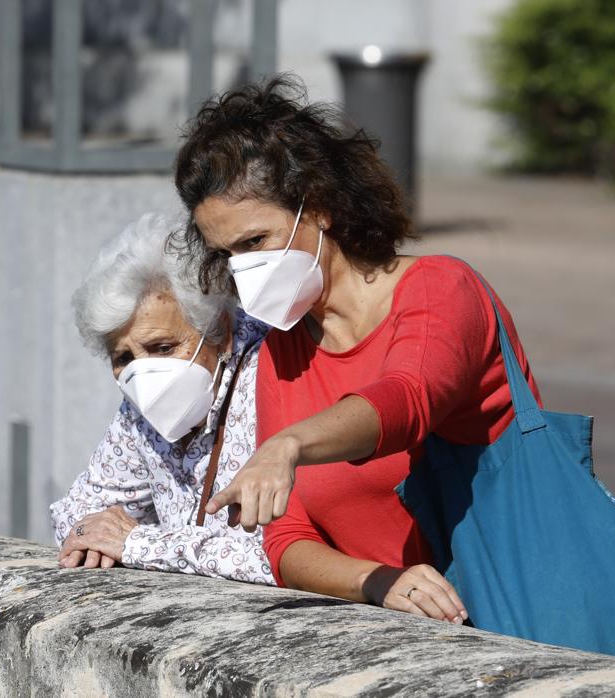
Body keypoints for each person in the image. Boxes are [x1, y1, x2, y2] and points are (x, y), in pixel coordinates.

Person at [169, 76, 532, 622]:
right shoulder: (283, 352)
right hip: (406, 636)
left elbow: (406, 401)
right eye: (227, 254)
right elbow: (285, 538)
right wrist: (378, 582)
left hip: (521, 612)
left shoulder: (441, 289)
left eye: (255, 241)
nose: (243, 268)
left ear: (319, 208)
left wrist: (289, 444)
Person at [49, 213, 274, 585]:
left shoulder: (273, 377)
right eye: (123, 358)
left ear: (220, 332)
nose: (144, 372)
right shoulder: (140, 408)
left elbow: (286, 555)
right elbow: (77, 514)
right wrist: (99, 535)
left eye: (163, 347)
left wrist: (138, 543)